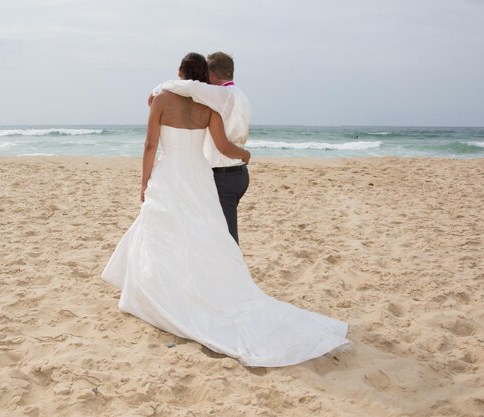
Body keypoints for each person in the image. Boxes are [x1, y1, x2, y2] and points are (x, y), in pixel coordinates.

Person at [102, 53, 349, 367]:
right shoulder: (210, 107)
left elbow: (150, 145)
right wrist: (245, 154)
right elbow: (221, 146)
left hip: (170, 174)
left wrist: (144, 180)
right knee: (204, 234)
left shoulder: (162, 100)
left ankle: (163, 293)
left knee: (163, 230)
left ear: (179, 73)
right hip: (199, 176)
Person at [150, 52, 251, 244]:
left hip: (224, 174)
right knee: (218, 233)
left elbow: (188, 86)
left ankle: (232, 274)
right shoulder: (241, 96)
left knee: (226, 239)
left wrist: (157, 90)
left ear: (211, 75)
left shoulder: (221, 94)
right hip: (237, 174)